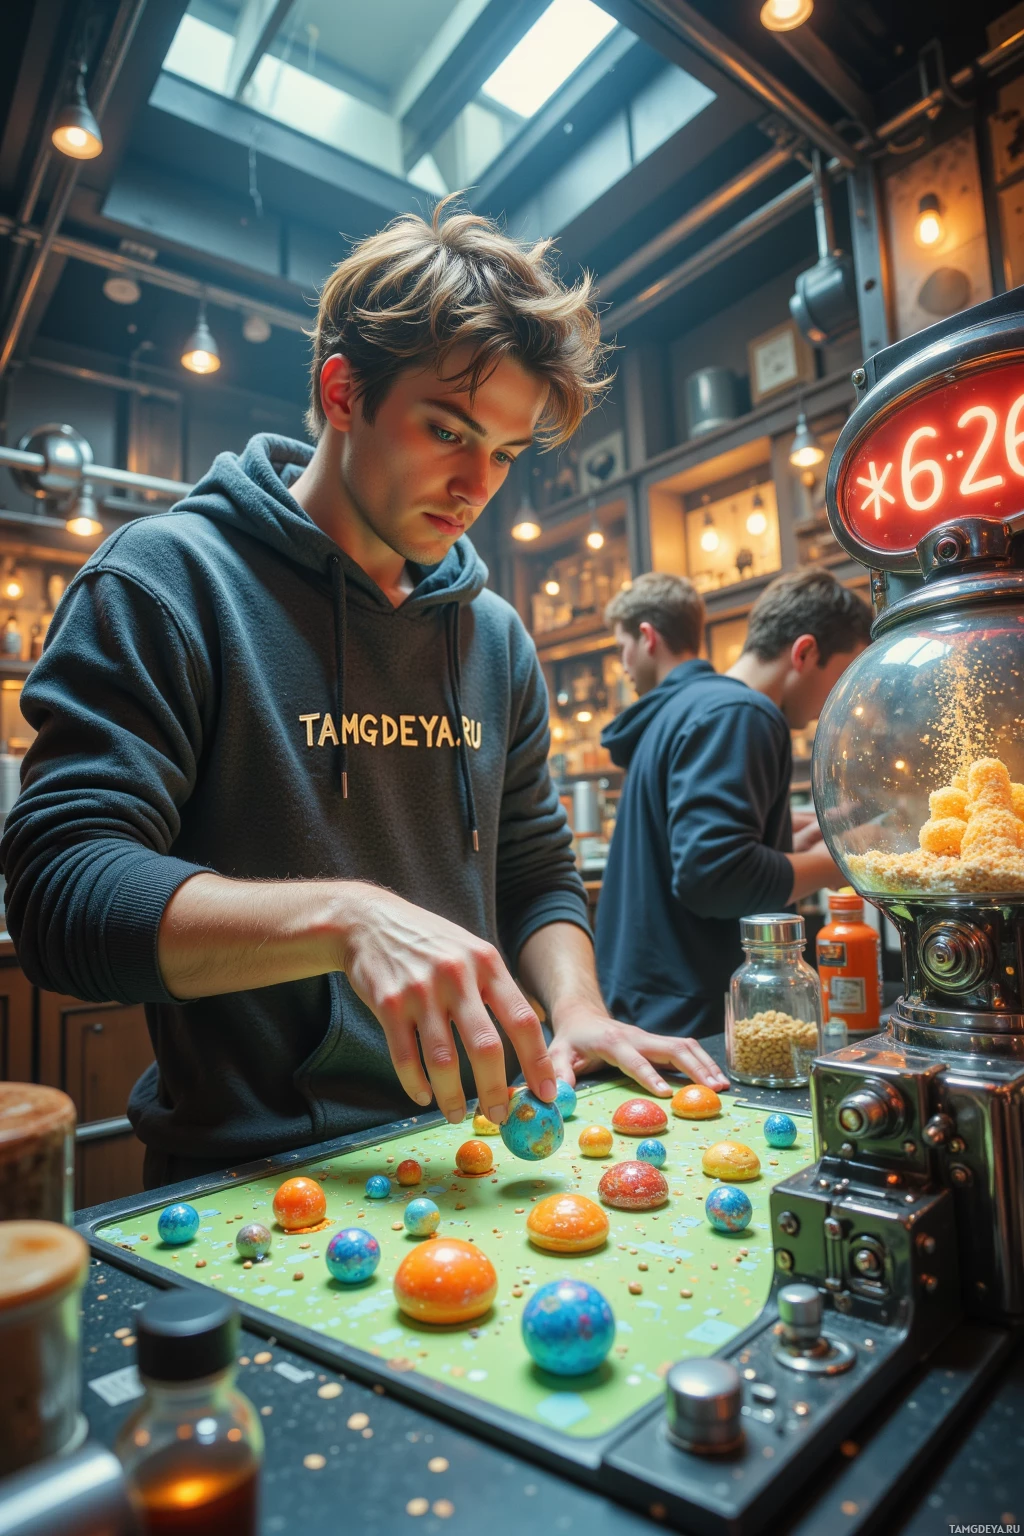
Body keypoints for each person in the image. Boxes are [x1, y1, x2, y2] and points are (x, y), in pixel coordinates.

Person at [1, 201, 726, 1189]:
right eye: (447, 431)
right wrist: (348, 918)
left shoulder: (494, 635)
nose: (478, 484)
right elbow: (60, 893)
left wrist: (578, 1010)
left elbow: (533, 869)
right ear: (343, 393)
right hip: (253, 1180)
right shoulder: (165, 584)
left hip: (468, 1153)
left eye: (506, 454)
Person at [595, 567, 872, 1038]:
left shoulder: (689, 707)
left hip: (646, 1000)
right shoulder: (741, 712)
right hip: (693, 1019)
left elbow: (696, 848)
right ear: (805, 652)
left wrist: (785, 836)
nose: (840, 699)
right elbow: (714, 875)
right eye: (843, 675)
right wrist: (850, 861)